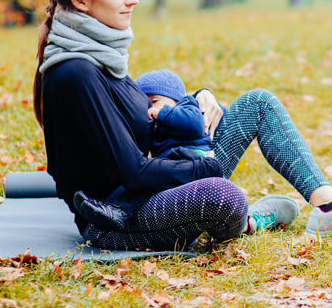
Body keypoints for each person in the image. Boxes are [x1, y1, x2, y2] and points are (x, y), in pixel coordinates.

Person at [33, 0, 332, 253]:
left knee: (258, 102)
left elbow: (143, 114)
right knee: (223, 196)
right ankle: (251, 220)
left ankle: (329, 209)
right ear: (81, 1)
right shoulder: (75, 72)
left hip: (153, 184)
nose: (133, 0)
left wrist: (200, 99)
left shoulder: (99, 51)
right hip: (116, 218)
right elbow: (133, 172)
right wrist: (208, 164)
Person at [74, 69, 222, 230]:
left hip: (193, 158)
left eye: (155, 101)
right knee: (145, 188)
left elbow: (195, 124)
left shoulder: (188, 105)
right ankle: (114, 210)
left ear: (177, 100)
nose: (149, 109)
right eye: (144, 105)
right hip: (172, 166)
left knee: (150, 180)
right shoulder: (155, 127)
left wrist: (162, 113)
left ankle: (118, 210)